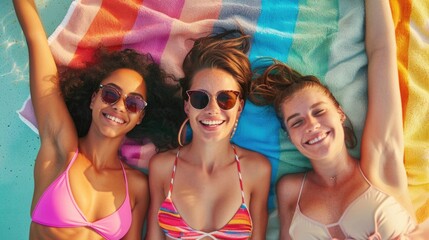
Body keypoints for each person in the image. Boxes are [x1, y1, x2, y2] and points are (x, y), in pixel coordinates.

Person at [249, 0, 429, 239]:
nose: (312, 125)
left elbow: (381, 52)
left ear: (340, 113)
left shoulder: (381, 162)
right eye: (296, 122)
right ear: (289, 135)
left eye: (319, 111)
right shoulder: (290, 190)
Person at [14, 0, 183, 239]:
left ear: (140, 117)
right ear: (94, 98)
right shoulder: (61, 149)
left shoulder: (137, 186)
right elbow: (35, 40)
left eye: (133, 103)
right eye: (110, 94)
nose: (118, 106)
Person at [146, 30, 272, 240]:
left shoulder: (257, 170)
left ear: (239, 107)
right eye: (199, 98)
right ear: (187, 105)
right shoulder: (162, 167)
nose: (212, 109)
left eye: (226, 99)